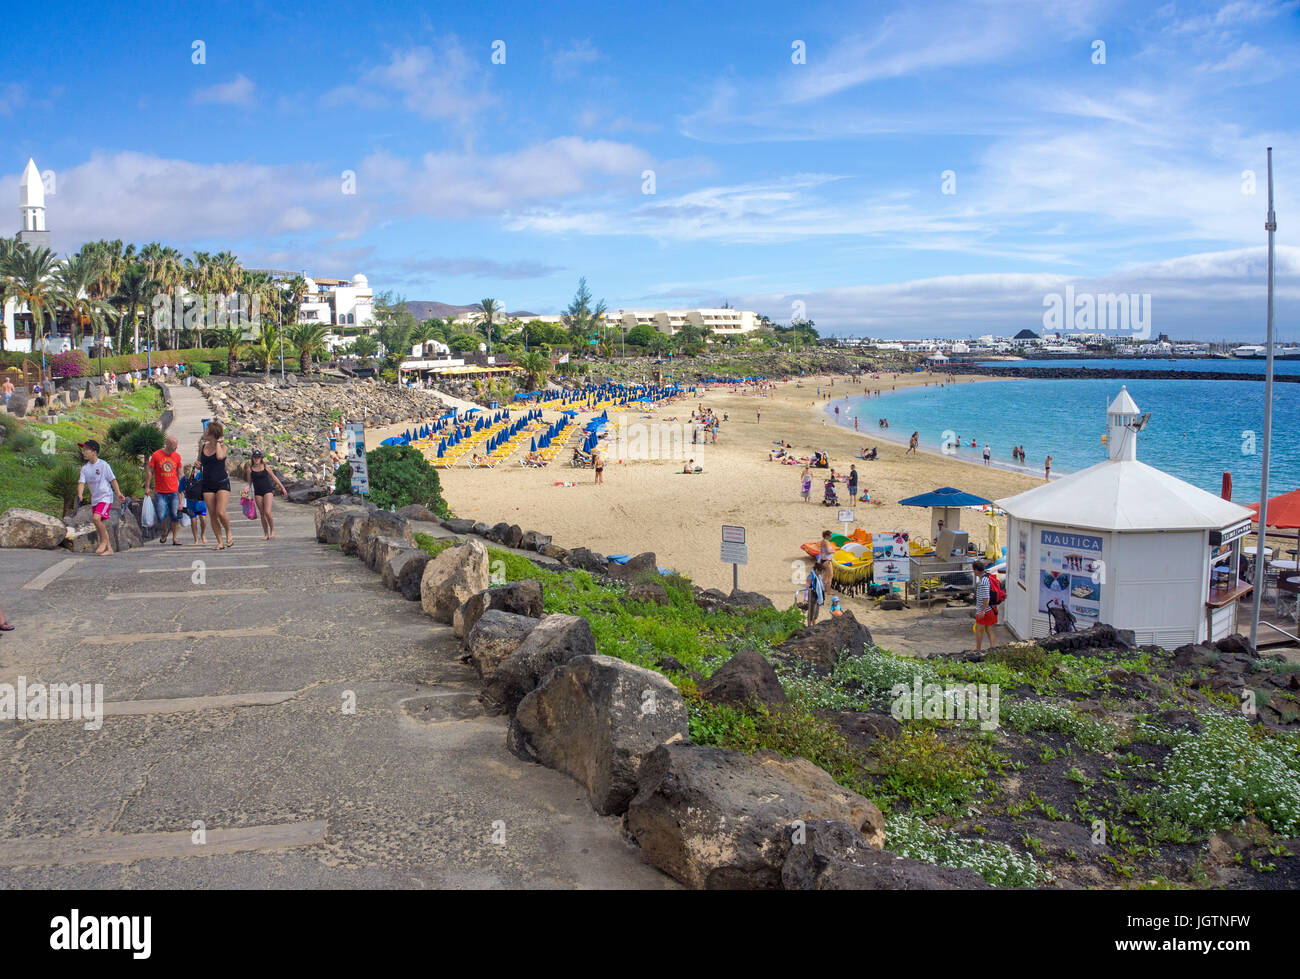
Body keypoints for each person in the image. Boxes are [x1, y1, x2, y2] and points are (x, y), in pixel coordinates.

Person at [76, 440, 125, 557]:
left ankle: (103, 542)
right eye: (83, 450)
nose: (84, 452)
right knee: (100, 523)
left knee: (96, 518)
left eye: (86, 450)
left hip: (106, 497)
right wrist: (80, 494)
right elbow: (81, 483)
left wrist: (118, 493)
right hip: (95, 499)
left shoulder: (103, 465)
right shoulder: (85, 468)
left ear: (94, 452)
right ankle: (109, 548)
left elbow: (113, 480)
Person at [200, 420, 233, 550]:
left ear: (213, 434)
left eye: (207, 430)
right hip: (207, 483)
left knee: (220, 511)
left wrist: (219, 442)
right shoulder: (202, 446)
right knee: (212, 514)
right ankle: (220, 542)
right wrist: (198, 464)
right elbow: (200, 460)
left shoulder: (223, 448)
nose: (204, 432)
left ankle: (228, 532)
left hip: (221, 482)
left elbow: (219, 457)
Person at [146, 435, 184, 545]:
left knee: (175, 515)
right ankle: (164, 530)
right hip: (160, 491)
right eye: (174, 446)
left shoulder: (177, 456)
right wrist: (147, 486)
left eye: (176, 446)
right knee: (161, 515)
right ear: (167, 444)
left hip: (173, 491)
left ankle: (175, 538)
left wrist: (183, 487)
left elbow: (179, 473)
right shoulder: (156, 455)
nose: (175, 448)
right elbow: (150, 471)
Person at [247, 449, 287, 540]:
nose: (256, 459)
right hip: (258, 492)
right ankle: (266, 534)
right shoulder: (249, 469)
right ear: (252, 458)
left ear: (261, 458)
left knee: (267, 512)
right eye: (255, 458)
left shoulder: (265, 467)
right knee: (262, 513)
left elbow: (274, 477)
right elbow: (249, 482)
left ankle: (272, 530)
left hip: (267, 490)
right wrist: (246, 488)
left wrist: (282, 487)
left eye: (258, 458)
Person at [180, 462, 208, 545]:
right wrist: (180, 503)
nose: (187, 477)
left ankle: (202, 534)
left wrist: (200, 467)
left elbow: (207, 474)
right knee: (193, 521)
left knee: (203, 519)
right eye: (186, 475)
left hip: (201, 502)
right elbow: (179, 491)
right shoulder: (183, 479)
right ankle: (196, 539)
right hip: (190, 503)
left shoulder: (200, 475)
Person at [973, 559, 998, 650]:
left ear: (976, 570)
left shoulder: (983, 582)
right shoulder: (987, 577)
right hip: (990, 609)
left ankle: (978, 649)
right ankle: (992, 648)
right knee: (989, 630)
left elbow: (986, 598)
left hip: (984, 610)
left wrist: (982, 611)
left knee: (978, 630)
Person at [805, 559, 827, 626]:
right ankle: (809, 625)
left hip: (817, 597)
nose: (821, 574)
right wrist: (805, 599)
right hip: (812, 596)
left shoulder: (818, 577)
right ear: (817, 570)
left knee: (816, 612)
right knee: (811, 612)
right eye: (820, 572)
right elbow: (806, 588)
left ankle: (814, 625)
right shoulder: (810, 577)